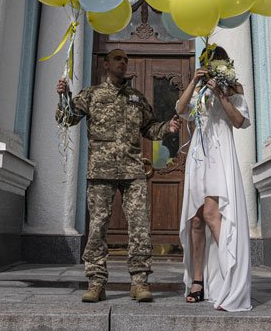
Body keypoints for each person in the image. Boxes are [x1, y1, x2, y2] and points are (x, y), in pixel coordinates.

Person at [56, 48, 180, 304]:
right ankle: (96, 282)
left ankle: (139, 281)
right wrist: (64, 96)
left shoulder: (136, 98)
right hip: (101, 171)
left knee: (140, 226)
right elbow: (66, 118)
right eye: (117, 58)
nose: (123, 62)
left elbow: (149, 128)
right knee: (98, 226)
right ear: (106, 65)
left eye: (125, 59)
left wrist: (167, 127)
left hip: (133, 171)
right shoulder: (91, 94)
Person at [175, 44, 252, 312]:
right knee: (196, 219)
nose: (210, 66)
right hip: (199, 154)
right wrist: (194, 82)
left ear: (225, 65)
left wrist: (220, 94)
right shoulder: (198, 90)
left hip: (220, 153)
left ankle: (232, 278)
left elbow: (239, 122)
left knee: (211, 214)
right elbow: (181, 109)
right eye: (207, 62)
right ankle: (198, 281)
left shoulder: (234, 90)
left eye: (215, 62)